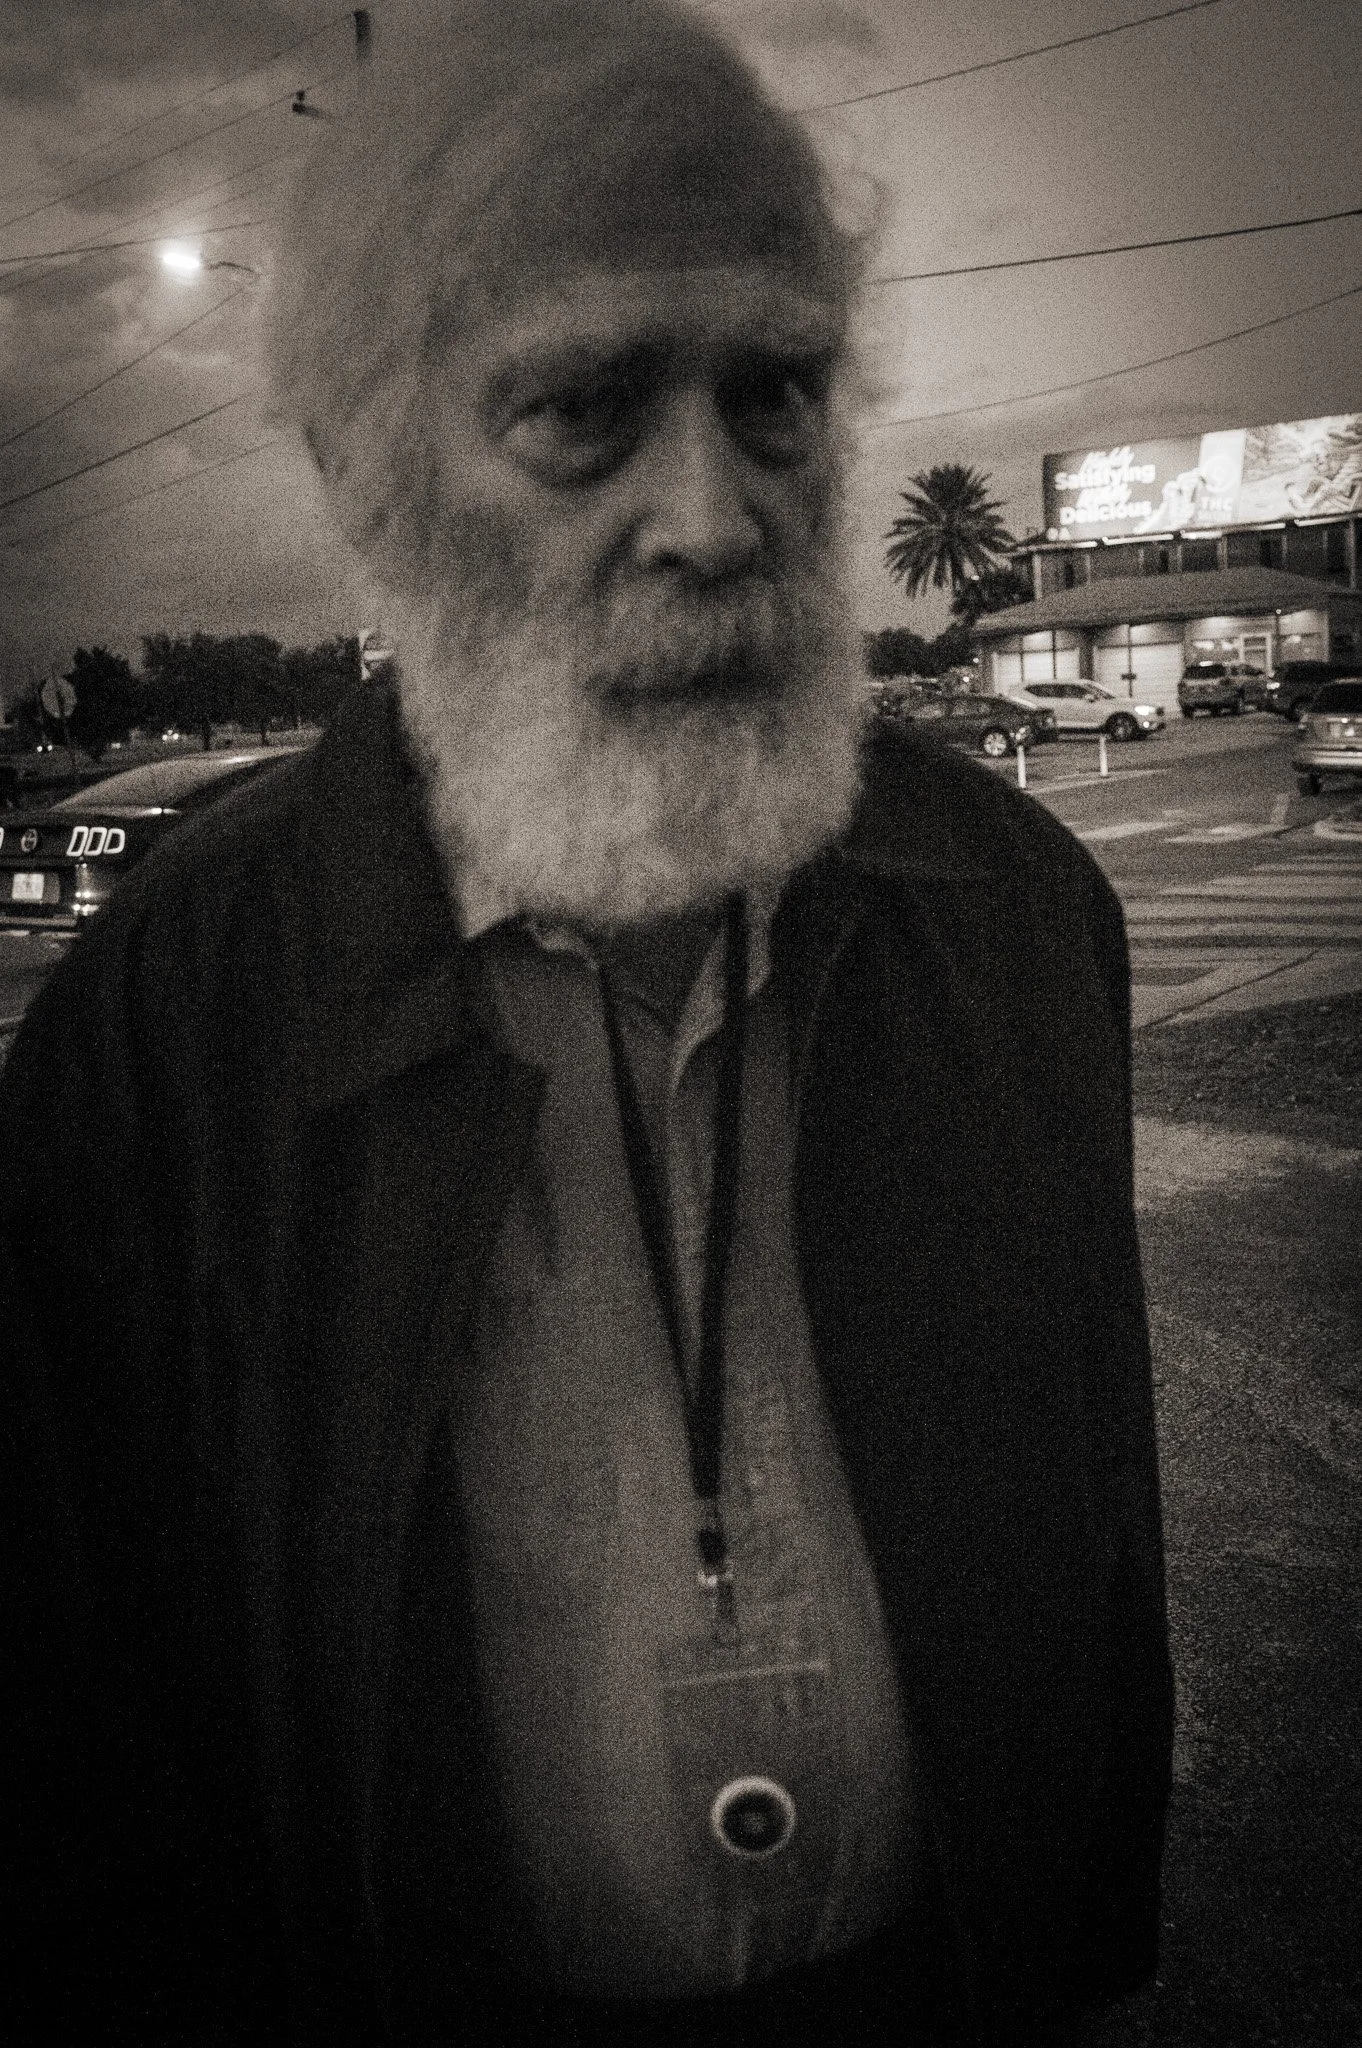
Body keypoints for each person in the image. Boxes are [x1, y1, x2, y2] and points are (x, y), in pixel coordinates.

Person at [1, 4, 1173, 2043]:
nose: (713, 515)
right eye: (582, 408)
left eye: (773, 391)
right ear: (373, 477)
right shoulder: (162, 1033)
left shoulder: (1017, 920)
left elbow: (1104, 1570)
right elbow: (91, 1789)